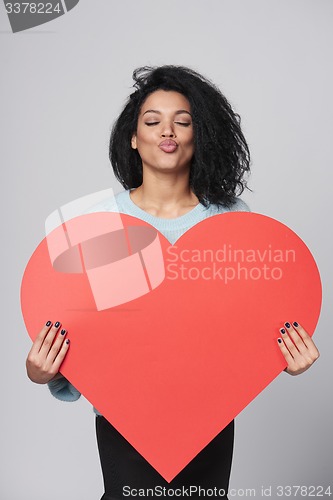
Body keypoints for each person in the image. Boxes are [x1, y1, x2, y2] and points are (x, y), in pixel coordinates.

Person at [26, 66, 320, 499]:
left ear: (198, 136)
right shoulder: (102, 225)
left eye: (183, 121)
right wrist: (44, 372)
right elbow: (89, 327)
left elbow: (248, 323)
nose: (168, 130)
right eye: (152, 121)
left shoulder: (231, 222)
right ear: (132, 137)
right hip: (123, 419)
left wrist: (287, 355)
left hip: (209, 419)